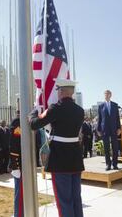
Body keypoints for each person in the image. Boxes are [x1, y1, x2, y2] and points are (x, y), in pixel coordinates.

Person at [29, 79, 85, 217]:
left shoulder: (56, 108)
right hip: (75, 159)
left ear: (62, 91)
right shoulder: (80, 111)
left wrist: (33, 114)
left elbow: (35, 124)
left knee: (64, 201)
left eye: (58, 90)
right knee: (76, 199)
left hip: (60, 160)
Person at [97, 90, 121, 171]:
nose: (106, 95)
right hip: (104, 129)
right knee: (106, 148)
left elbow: (117, 118)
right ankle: (108, 164)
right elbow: (99, 119)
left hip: (114, 129)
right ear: (104, 95)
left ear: (111, 95)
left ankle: (115, 164)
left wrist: (119, 128)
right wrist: (98, 129)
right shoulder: (101, 106)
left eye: (108, 94)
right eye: (105, 94)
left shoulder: (115, 105)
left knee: (115, 147)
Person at [10, 111, 23, 217]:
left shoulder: (27, 121)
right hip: (20, 165)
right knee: (20, 193)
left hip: (26, 163)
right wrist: (15, 166)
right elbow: (14, 145)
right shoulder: (17, 122)